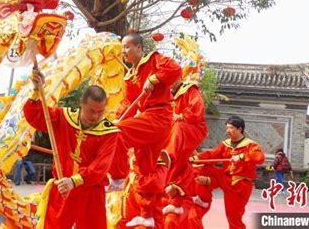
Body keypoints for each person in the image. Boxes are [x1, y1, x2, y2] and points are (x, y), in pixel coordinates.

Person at [23, 69, 119, 229]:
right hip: (62, 189)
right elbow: (36, 116)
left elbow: (100, 166)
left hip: (91, 194)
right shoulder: (63, 117)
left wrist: (74, 181)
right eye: (91, 110)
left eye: (100, 112)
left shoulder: (109, 132)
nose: (95, 116)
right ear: (81, 103)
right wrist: (35, 90)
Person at [112, 33, 182, 228]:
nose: (123, 51)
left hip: (158, 116)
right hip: (146, 116)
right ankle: (147, 215)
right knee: (146, 172)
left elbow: (175, 69)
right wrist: (117, 118)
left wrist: (156, 78)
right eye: (122, 47)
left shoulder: (154, 59)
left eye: (127, 47)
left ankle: (117, 177)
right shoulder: (130, 75)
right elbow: (129, 102)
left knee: (117, 133)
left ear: (140, 48)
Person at [190, 116, 265, 229]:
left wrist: (241, 156)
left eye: (231, 128)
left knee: (233, 217)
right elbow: (213, 155)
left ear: (239, 129)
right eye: (227, 128)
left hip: (239, 184)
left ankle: (209, 184)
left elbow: (260, 158)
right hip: (225, 178)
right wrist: (196, 158)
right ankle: (201, 198)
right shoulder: (226, 144)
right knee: (203, 167)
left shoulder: (251, 145)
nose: (227, 131)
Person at [162, 77, 208, 221]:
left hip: (192, 127)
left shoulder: (190, 89)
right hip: (174, 134)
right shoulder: (167, 94)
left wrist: (181, 116)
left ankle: (169, 157)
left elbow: (197, 109)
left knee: (178, 129)